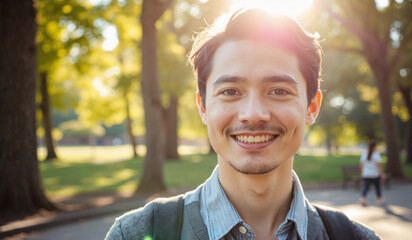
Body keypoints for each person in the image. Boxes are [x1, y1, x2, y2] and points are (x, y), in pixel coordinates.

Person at [106, 9, 381, 240]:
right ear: (203, 107)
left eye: (278, 91)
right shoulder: (132, 234)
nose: (253, 114)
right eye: (230, 91)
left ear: (311, 107)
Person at [359, 141, 386, 207]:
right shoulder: (376, 155)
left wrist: (362, 173)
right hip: (375, 174)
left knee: (366, 188)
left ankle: (362, 198)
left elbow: (361, 165)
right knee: (377, 187)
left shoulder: (364, 154)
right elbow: (378, 165)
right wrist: (382, 174)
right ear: (374, 147)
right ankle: (379, 199)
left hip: (366, 174)